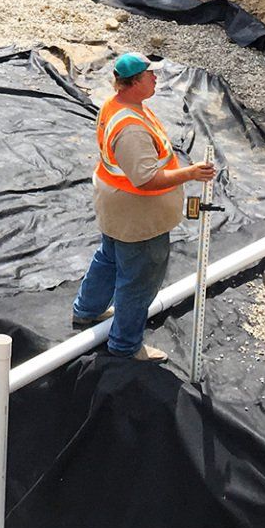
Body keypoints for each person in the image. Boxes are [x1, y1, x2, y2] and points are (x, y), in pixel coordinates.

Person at [70, 51, 216, 362]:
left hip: (118, 211)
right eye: (149, 75)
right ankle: (124, 345)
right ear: (134, 82)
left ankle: (87, 310)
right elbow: (146, 180)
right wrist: (190, 173)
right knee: (138, 283)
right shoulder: (132, 129)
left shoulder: (120, 106)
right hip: (138, 219)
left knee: (108, 258)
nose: (155, 78)